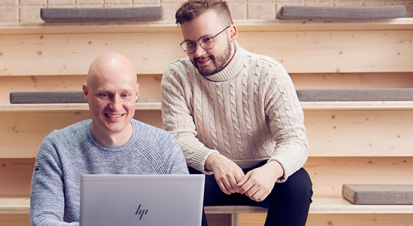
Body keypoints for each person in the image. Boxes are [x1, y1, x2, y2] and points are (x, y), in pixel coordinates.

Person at [161, 1, 313, 225]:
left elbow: (295, 141)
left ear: (232, 33)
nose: (199, 52)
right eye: (190, 44)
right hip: (209, 171)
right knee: (174, 184)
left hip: (261, 171)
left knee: (299, 185)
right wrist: (213, 160)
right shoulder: (176, 75)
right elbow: (178, 138)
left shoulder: (269, 73)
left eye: (207, 40)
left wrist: (272, 170)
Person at [29, 52, 189, 226]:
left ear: (136, 94)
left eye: (125, 95)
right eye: (105, 95)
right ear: (86, 93)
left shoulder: (165, 146)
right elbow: (42, 221)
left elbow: (185, 219)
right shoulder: (56, 148)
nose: (116, 106)